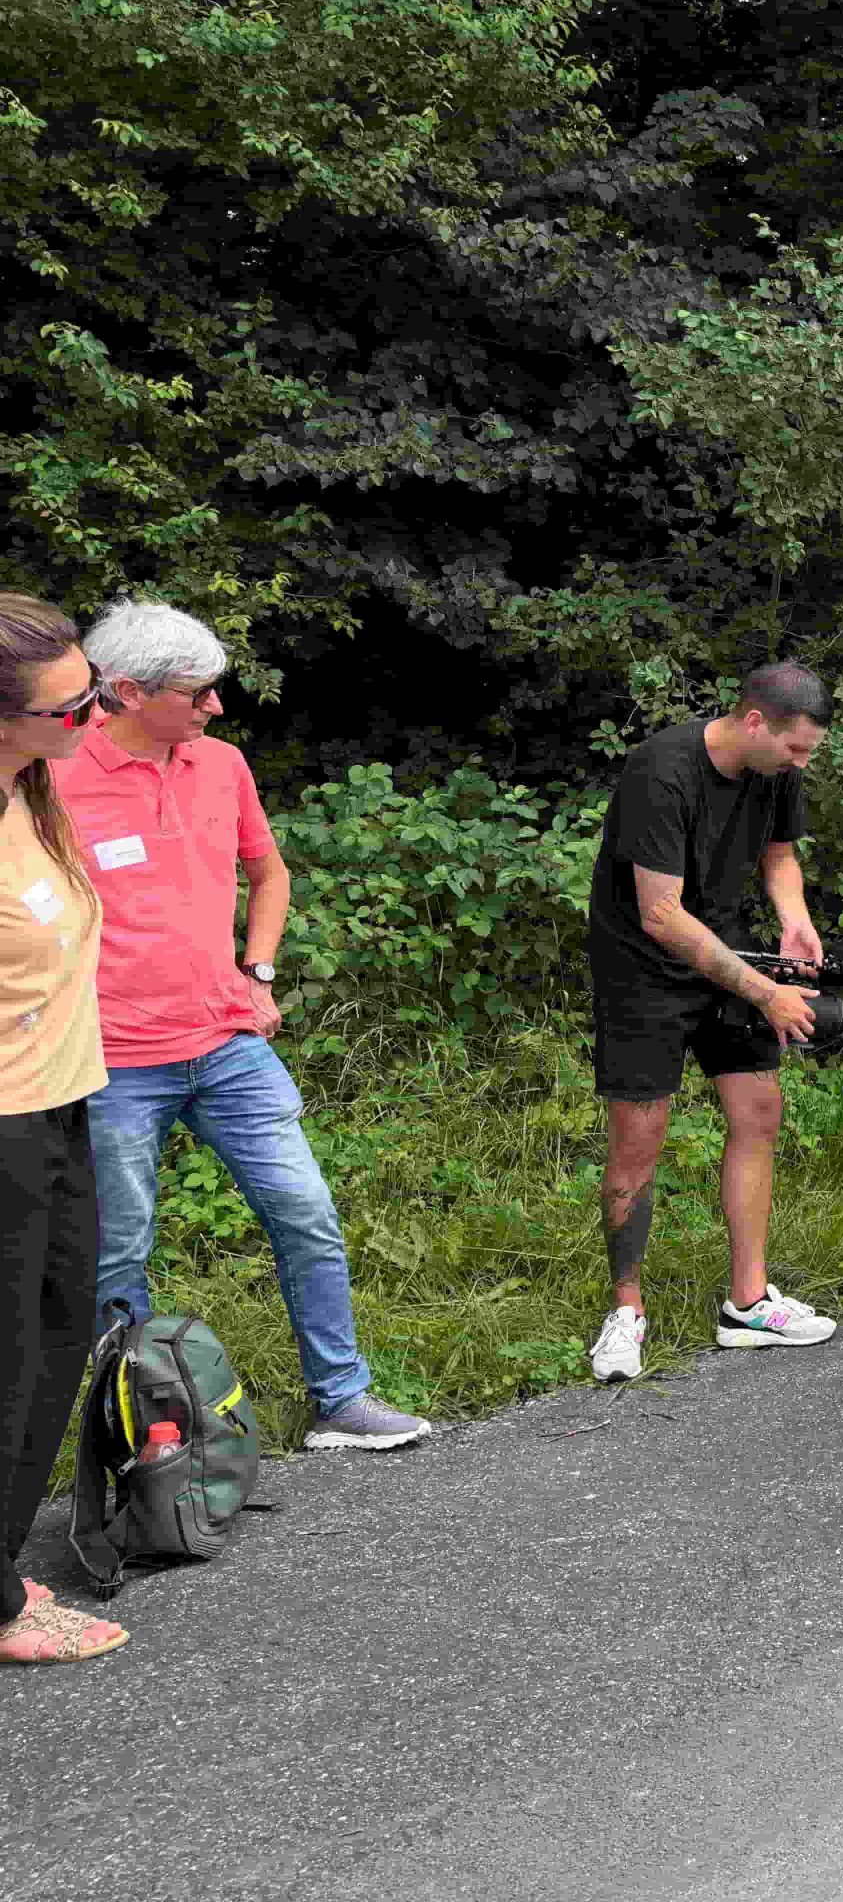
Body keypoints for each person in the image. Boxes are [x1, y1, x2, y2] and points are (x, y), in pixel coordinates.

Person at [54, 601, 430, 1450]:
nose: (216, 707)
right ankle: (144, 1437)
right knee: (120, 1256)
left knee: (307, 1216)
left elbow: (269, 872)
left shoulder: (221, 765)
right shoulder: (55, 775)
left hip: (227, 1043)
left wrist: (257, 970)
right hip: (112, 1060)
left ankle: (342, 1399)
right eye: (197, 693)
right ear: (124, 692)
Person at [584, 664, 842, 1383]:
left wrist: (795, 921)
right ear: (755, 721)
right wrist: (765, 992)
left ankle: (748, 1303)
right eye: (797, 748)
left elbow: (780, 855)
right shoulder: (660, 771)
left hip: (729, 951)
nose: (804, 762)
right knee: (639, 1141)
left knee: (758, 1113)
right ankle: (626, 1311)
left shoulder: (779, 768)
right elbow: (660, 914)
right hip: (644, 970)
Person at [0, 594, 127, 1663]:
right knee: (8, 1361)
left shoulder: (28, 795)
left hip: (57, 1106)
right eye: (72, 705)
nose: (97, 712)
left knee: (53, 1343)